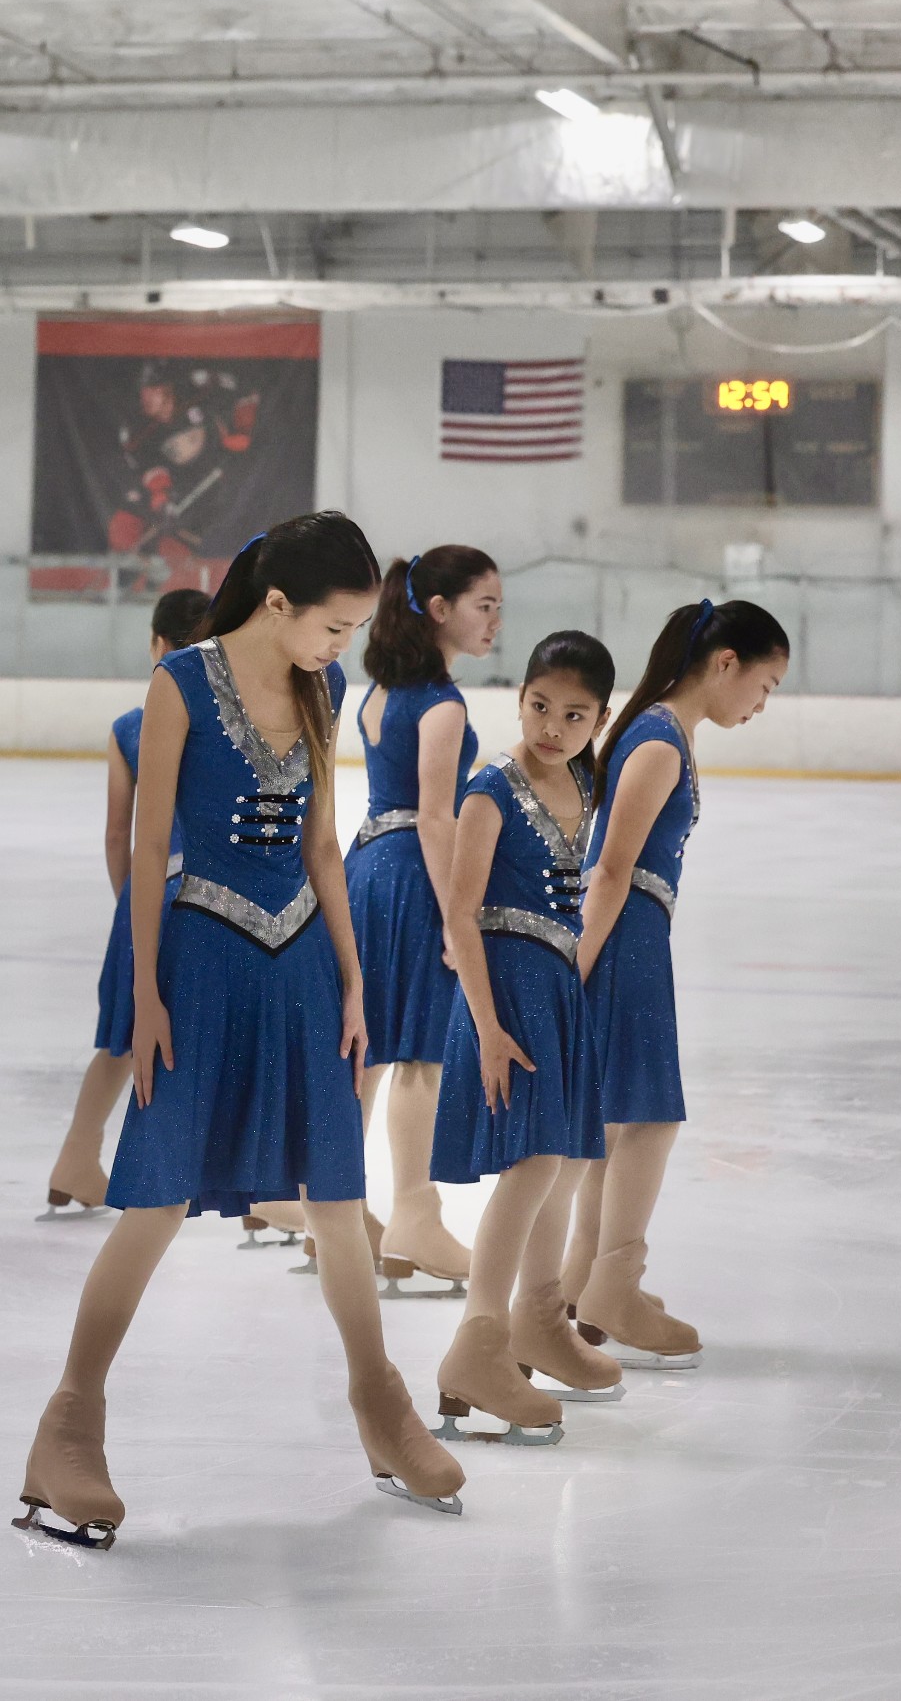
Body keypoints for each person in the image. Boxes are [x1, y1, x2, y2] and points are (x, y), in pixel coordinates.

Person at [14, 512, 465, 1548]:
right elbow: (148, 848)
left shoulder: (321, 687)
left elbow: (321, 846)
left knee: (337, 1196)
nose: (340, 646)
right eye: (333, 626)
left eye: (352, 631)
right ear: (277, 603)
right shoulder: (179, 684)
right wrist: (144, 990)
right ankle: (68, 1423)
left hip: (301, 959)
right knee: (158, 1198)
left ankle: (381, 1404)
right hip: (201, 961)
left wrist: (353, 979)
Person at [561, 599, 789, 1371]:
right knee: (650, 1117)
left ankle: (584, 1282)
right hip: (625, 940)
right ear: (726, 664)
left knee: (613, 1121)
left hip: (634, 935)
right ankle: (613, 1286)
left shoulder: (663, 731)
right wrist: (574, 970)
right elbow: (610, 870)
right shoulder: (660, 740)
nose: (762, 705)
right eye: (765, 685)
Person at [427, 631, 626, 1443]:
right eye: (540, 705)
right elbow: (458, 914)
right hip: (505, 988)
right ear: (520, 698)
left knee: (567, 1157)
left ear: (599, 720)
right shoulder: (491, 789)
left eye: (574, 715)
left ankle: (539, 1320)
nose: (552, 726)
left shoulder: (583, 781)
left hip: (556, 986)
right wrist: (486, 1028)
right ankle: (478, 1341)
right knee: (535, 1160)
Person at [339, 546, 501, 1293]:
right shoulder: (441, 702)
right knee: (420, 1055)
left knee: (367, 1049)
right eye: (484, 606)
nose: (494, 621)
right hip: (411, 878)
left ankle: (337, 1208)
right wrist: (454, 915)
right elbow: (437, 818)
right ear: (439, 610)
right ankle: (414, 1214)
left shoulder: (381, 691)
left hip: (368, 870)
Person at [41, 586, 213, 1217]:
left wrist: (133, 906)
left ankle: (77, 1155)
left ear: (156, 645)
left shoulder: (130, 728)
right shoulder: (224, 721)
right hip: (208, 900)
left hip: (147, 896)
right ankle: (253, 1188)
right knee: (204, 1039)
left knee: (123, 1037)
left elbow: (120, 834)